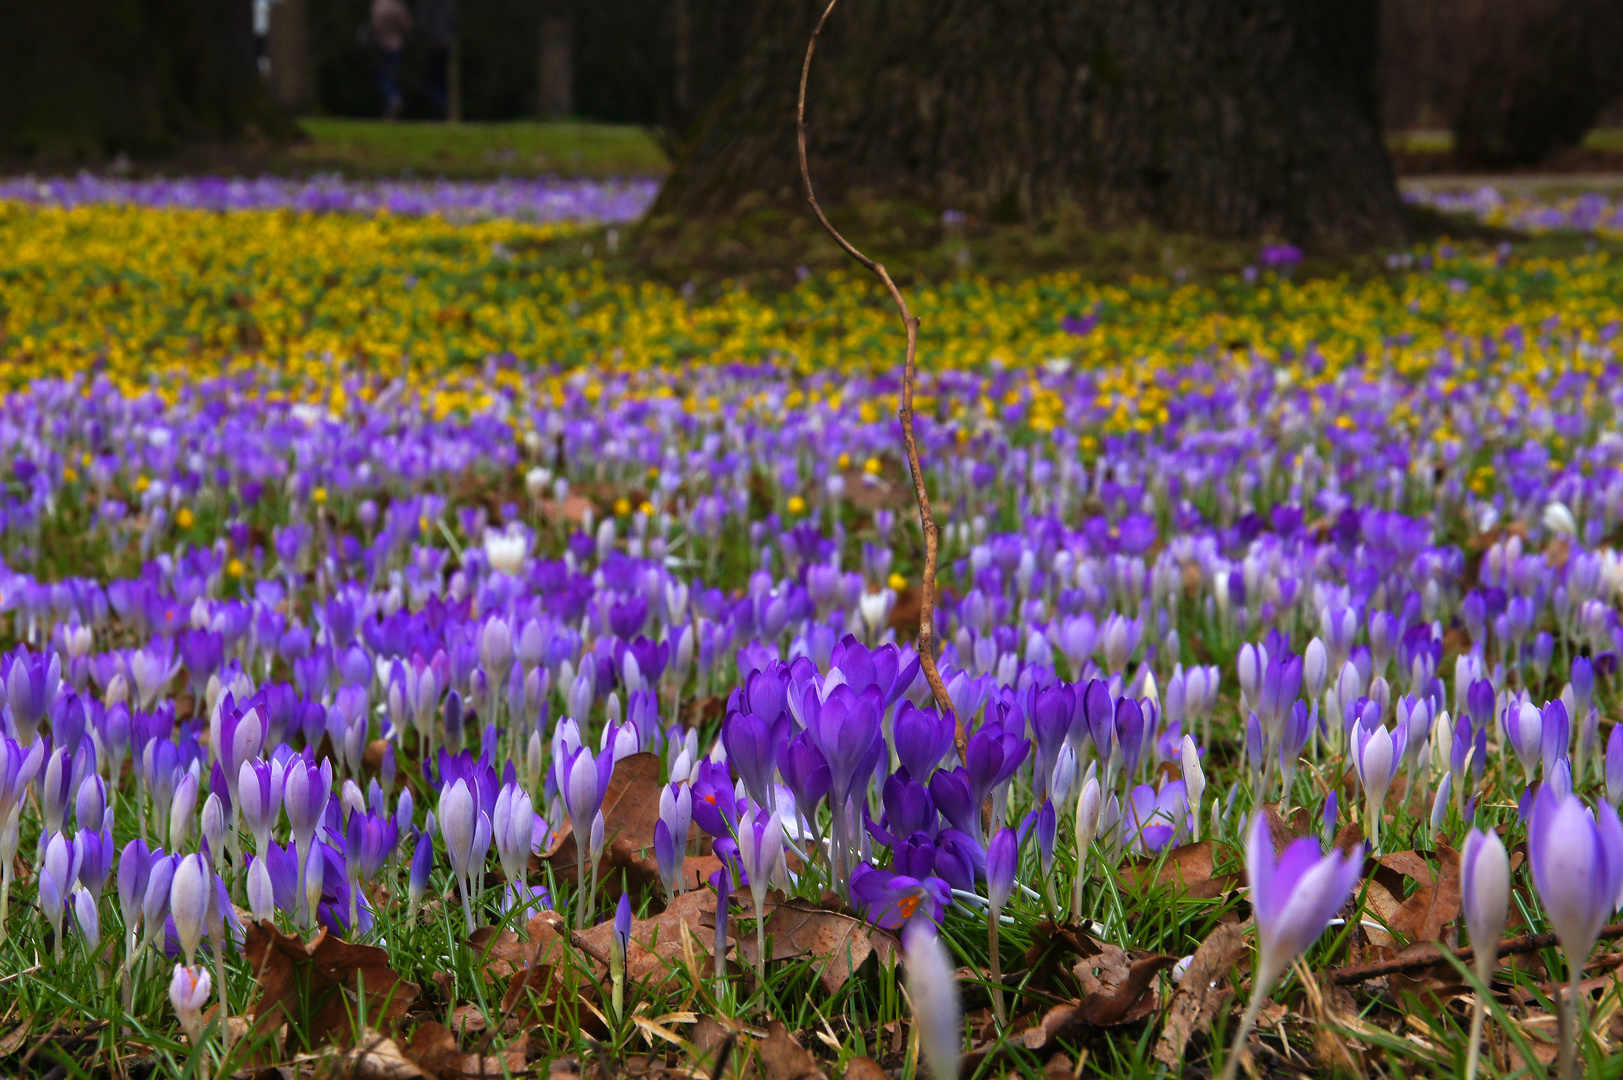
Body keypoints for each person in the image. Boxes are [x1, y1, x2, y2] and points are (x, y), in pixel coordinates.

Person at [370, 0, 413, 119]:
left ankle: (392, 97)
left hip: (383, 45)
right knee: (393, 75)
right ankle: (393, 99)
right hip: (398, 45)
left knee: (382, 77)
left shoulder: (378, 5)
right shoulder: (398, 5)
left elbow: (375, 26)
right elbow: (408, 25)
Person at [418, 0, 457, 120]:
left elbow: (421, 23)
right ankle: (442, 108)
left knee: (428, 81)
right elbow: (455, 25)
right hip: (445, 45)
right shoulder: (448, 5)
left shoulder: (426, 5)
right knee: (441, 80)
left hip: (432, 45)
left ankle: (442, 105)